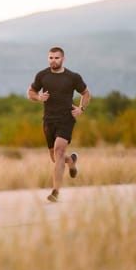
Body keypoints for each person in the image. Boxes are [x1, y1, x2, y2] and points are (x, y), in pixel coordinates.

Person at [27, 47, 91, 202]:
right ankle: (71, 161)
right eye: (50, 58)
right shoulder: (42, 75)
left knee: (59, 150)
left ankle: (55, 192)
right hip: (49, 120)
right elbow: (30, 92)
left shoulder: (73, 77)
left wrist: (81, 109)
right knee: (56, 158)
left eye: (56, 58)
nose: (53, 60)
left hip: (66, 119)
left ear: (63, 59)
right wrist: (39, 97)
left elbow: (86, 93)